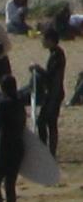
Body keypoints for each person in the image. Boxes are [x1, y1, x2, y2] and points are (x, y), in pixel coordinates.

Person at [34, 26, 66, 155]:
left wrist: (38, 69)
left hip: (54, 94)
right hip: (53, 93)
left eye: (44, 38)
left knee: (46, 122)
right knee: (47, 122)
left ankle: (48, 152)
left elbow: (51, 75)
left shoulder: (57, 54)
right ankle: (48, 151)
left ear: (51, 40)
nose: (42, 41)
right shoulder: (55, 53)